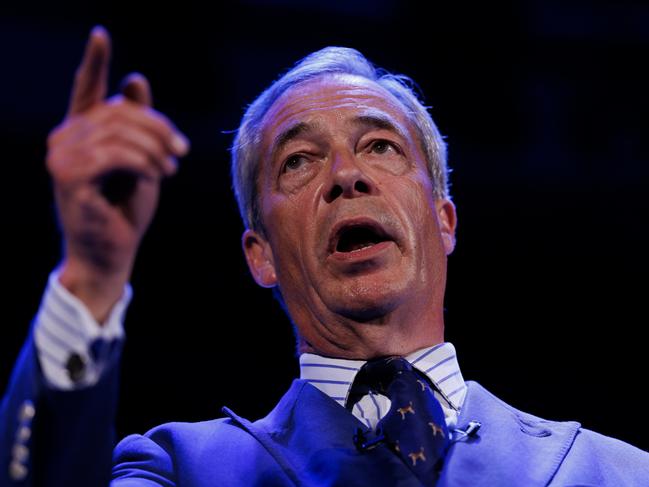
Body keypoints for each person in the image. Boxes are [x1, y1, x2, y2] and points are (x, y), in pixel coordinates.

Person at [1, 25, 648, 487]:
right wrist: (91, 271)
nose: (346, 175)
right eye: (299, 161)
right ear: (261, 256)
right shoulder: (181, 469)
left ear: (443, 219)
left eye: (380, 147)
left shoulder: (611, 471)